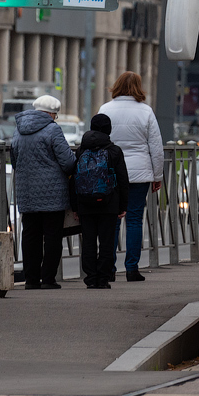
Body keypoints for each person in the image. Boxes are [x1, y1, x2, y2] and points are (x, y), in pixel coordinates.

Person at [98, 72, 164, 282]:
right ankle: (132, 268)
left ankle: (109, 269)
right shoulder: (146, 112)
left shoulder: (105, 109)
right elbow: (156, 147)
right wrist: (157, 175)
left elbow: (98, 140)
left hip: (111, 173)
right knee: (134, 220)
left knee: (112, 220)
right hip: (139, 173)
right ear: (138, 87)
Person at [8, 95, 76, 290]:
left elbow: (14, 161)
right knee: (53, 236)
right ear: (51, 114)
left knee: (30, 236)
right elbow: (68, 162)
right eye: (55, 115)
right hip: (52, 194)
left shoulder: (18, 130)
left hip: (27, 192)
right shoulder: (53, 130)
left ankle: (31, 280)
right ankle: (48, 279)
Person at [72, 112, 130, 289]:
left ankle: (90, 278)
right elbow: (122, 180)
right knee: (106, 242)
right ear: (109, 130)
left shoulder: (81, 150)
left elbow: (74, 179)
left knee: (88, 241)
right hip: (109, 203)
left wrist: (75, 206)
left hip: (85, 203)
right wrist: (122, 206)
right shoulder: (114, 151)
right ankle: (103, 279)